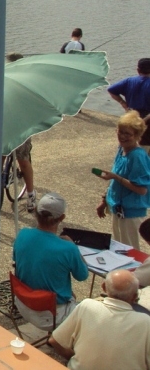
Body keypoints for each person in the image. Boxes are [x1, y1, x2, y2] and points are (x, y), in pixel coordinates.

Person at [13, 193, 88, 330]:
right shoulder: (68, 249)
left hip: (23, 304)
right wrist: (75, 248)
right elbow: (82, 276)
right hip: (52, 316)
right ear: (62, 218)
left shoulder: (22, 234)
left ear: (35, 211)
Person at [49, 269, 150, 370]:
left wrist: (74, 359)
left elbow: (54, 341)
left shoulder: (87, 306)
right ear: (135, 297)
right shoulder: (145, 322)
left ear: (103, 287)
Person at [96, 110, 150, 250]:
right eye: (120, 131)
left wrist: (116, 177)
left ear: (137, 136)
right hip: (118, 208)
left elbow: (141, 189)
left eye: (128, 134)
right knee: (119, 249)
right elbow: (114, 175)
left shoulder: (137, 156)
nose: (122, 136)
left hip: (131, 212)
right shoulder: (122, 149)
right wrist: (104, 200)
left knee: (130, 251)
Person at [7, 52, 38, 212]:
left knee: (23, 161)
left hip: (22, 127)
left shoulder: (27, 83)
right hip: (5, 125)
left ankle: (31, 195)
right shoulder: (5, 80)